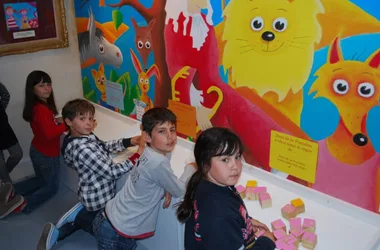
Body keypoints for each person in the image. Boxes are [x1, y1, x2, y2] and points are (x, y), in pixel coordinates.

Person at [37, 99, 143, 250]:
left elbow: (104, 146)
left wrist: (129, 141)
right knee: (104, 232)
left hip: (95, 193)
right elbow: (111, 172)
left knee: (102, 224)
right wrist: (137, 156)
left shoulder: (85, 137)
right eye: (82, 119)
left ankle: (80, 215)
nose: (89, 123)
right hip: (98, 199)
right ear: (68, 121)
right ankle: (77, 218)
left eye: (91, 118)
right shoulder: (82, 149)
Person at [92, 107, 196, 250]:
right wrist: (190, 169)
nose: (170, 136)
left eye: (172, 129)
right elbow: (179, 191)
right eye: (162, 131)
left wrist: (165, 185)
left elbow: (159, 173)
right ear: (146, 136)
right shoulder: (157, 162)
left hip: (110, 217)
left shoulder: (151, 151)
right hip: (117, 231)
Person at [177, 127, 276, 249]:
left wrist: (245, 221)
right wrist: (267, 242)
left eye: (237, 156)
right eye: (225, 159)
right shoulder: (219, 218)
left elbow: (231, 209)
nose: (235, 166)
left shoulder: (208, 182)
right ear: (205, 164)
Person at [0, 71, 67, 219]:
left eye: (48, 84)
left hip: (37, 150)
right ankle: (24, 204)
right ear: (32, 89)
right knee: (51, 188)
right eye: (41, 85)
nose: (47, 88)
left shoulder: (37, 106)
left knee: (40, 180)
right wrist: (67, 124)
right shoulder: (42, 109)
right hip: (47, 155)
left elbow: (44, 128)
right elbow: (49, 134)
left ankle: (12, 191)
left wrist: (58, 122)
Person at [0, 82, 23, 185]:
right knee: (3, 170)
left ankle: (2, 178)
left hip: (3, 127)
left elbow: (5, 95)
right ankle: (10, 195)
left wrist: (1, 111)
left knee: (17, 154)